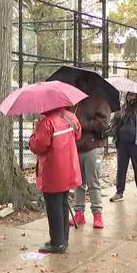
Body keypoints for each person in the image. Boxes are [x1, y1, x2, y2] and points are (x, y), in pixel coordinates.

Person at [29, 106, 82, 254]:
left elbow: (38, 146)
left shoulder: (47, 123)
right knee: (63, 203)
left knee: (53, 206)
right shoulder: (71, 117)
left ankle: (57, 243)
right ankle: (62, 239)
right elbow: (78, 135)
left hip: (53, 170)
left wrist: (34, 133)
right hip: (68, 167)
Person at [69, 82, 111, 229]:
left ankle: (97, 215)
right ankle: (79, 213)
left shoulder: (100, 100)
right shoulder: (75, 103)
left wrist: (82, 124)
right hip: (77, 147)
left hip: (93, 147)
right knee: (78, 183)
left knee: (93, 182)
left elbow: (103, 124)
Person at [110, 92, 137, 204]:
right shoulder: (122, 109)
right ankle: (119, 192)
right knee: (121, 169)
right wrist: (116, 116)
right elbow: (113, 123)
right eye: (129, 95)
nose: (131, 98)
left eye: (133, 95)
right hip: (122, 144)